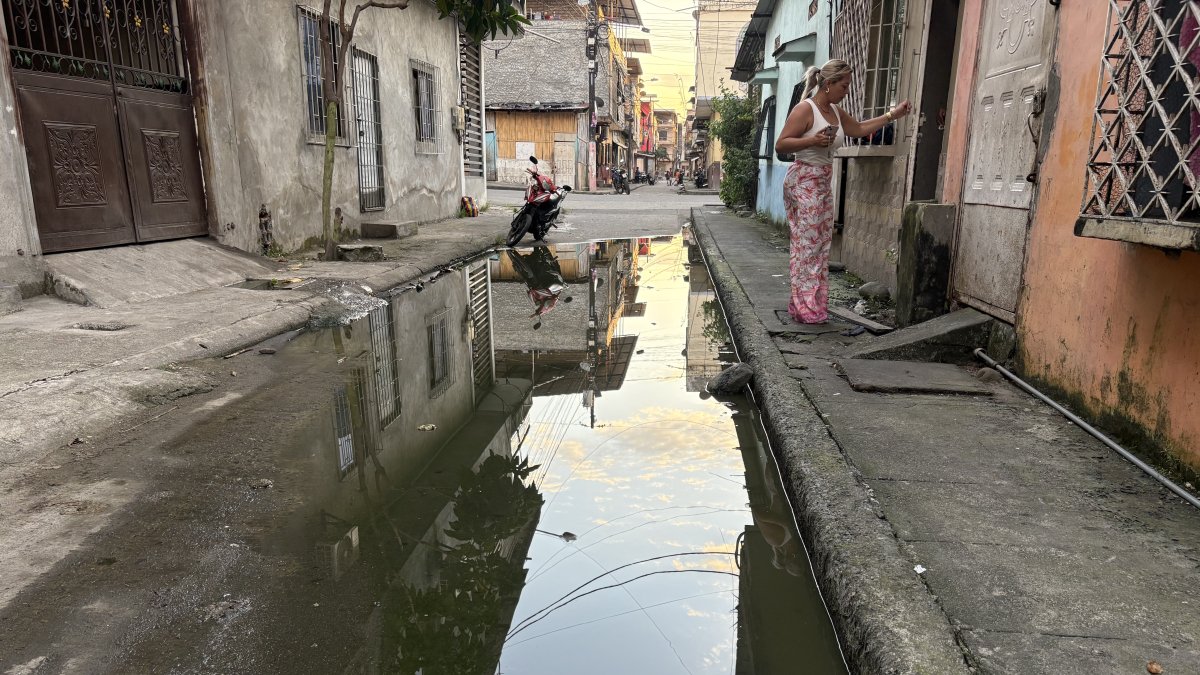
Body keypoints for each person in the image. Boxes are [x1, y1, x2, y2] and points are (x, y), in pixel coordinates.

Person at [774, 59, 911, 324]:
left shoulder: (835, 111)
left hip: (823, 182)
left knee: (819, 246)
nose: (847, 90)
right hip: (803, 180)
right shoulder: (806, 109)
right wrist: (812, 140)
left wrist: (894, 115)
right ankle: (806, 309)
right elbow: (782, 144)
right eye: (844, 85)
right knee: (807, 246)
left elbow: (858, 129)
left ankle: (807, 306)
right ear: (828, 84)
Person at [507, 247, 573, 329]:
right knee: (558, 273)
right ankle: (549, 260)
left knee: (531, 282)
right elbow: (554, 299)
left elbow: (541, 310)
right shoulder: (552, 305)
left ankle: (521, 264)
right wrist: (560, 291)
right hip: (546, 288)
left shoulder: (542, 309)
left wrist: (536, 314)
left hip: (538, 290)